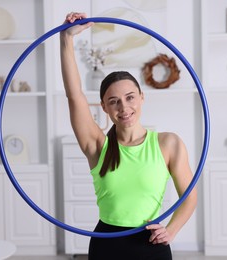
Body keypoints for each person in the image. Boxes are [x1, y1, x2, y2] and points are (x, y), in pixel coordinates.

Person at [60, 12, 197, 260]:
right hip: (106, 246)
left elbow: (189, 197)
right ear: (104, 107)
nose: (124, 108)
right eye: (114, 102)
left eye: (130, 97)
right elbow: (74, 96)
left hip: (151, 244)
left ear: (142, 97)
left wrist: (171, 231)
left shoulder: (168, 143)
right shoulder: (97, 146)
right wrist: (66, 39)